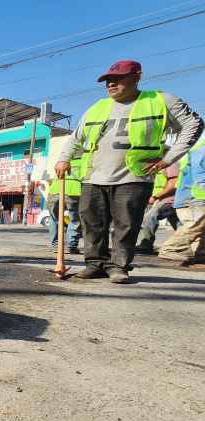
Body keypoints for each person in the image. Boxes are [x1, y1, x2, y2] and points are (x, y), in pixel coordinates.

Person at [55, 60, 203, 283]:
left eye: (118, 78)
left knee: (126, 223)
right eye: (107, 81)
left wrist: (168, 159)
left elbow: (194, 125)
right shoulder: (98, 107)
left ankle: (119, 266)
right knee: (92, 221)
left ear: (137, 76)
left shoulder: (160, 101)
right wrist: (63, 159)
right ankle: (95, 263)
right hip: (94, 175)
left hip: (134, 175)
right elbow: (76, 137)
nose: (111, 84)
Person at [158, 137, 205, 263]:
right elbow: (201, 174)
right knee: (195, 225)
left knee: (200, 227)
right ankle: (170, 249)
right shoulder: (202, 148)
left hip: (191, 195)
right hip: (194, 196)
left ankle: (199, 252)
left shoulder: (198, 147)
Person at [134, 163, 180, 254]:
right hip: (163, 199)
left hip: (169, 199)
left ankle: (146, 245)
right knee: (179, 225)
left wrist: (155, 197)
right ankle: (189, 246)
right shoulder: (158, 165)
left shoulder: (171, 164)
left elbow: (173, 184)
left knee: (149, 217)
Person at [46, 158, 83, 254]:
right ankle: (71, 246)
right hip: (74, 191)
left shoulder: (62, 162)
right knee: (74, 219)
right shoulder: (84, 160)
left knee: (54, 219)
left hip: (54, 191)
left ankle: (55, 245)